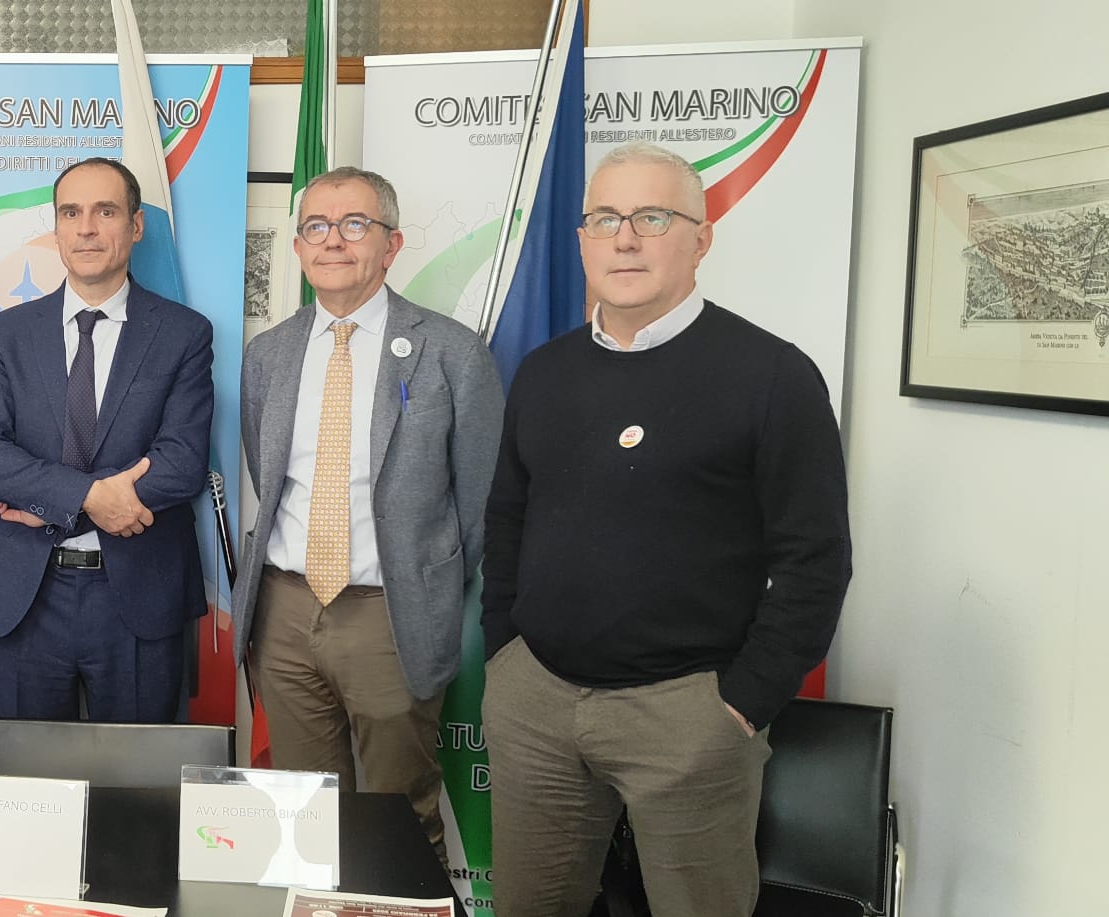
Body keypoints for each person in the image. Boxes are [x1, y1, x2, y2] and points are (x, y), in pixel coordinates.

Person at [480, 142, 853, 917]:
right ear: (581, 238)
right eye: (604, 219)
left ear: (701, 238)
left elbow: (815, 560)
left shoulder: (773, 377)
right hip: (537, 700)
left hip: (687, 715)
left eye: (652, 217)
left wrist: (740, 704)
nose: (624, 238)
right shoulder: (544, 373)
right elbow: (508, 518)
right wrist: (505, 655)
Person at [232, 167, 501, 862]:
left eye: (355, 224)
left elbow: (479, 502)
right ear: (298, 247)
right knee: (304, 816)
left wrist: (422, 580)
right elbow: (268, 475)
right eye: (316, 226)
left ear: (392, 244)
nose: (334, 241)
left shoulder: (452, 351)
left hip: (391, 614)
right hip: (285, 612)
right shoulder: (268, 354)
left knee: (397, 819)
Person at [0, 157, 213, 723]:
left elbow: (182, 463)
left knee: (139, 774)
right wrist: (87, 498)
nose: (87, 228)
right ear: (56, 228)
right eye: (71, 213)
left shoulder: (183, 334)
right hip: (27, 595)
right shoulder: (7, 334)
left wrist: (52, 504)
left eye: (105, 211)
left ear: (136, 225)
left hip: (140, 597)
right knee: (25, 773)